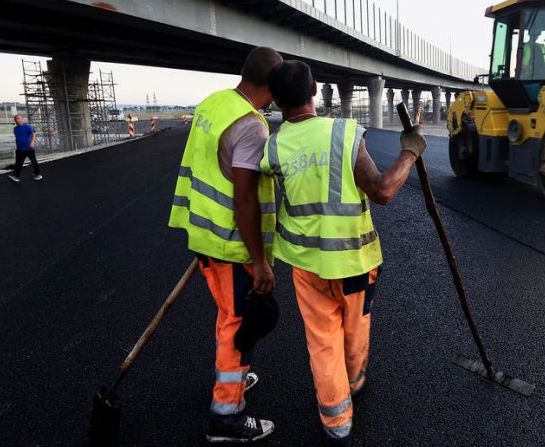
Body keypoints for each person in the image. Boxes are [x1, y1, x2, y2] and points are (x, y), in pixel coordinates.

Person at [260, 60, 427, 446]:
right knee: (356, 328)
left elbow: (247, 171)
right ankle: (355, 382)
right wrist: (410, 152)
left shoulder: (274, 146)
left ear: (277, 102)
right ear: (315, 90)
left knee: (322, 340)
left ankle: (337, 423)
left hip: (306, 265)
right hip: (355, 263)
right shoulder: (344, 133)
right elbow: (383, 190)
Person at [168, 46, 282, 444]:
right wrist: (260, 261)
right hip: (232, 246)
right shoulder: (251, 125)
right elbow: (245, 198)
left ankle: (231, 376)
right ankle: (226, 417)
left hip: (202, 234)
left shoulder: (213, 103)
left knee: (228, 316)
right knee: (242, 324)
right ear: (270, 86)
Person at [8, 115, 42, 182]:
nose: (16, 120)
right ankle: (16, 177)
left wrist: (32, 142)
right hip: (20, 149)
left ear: (22, 119)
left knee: (34, 162)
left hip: (29, 149)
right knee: (18, 163)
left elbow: (33, 134)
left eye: (18, 118)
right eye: (15, 119)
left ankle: (38, 175)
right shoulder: (15, 129)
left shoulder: (27, 126)